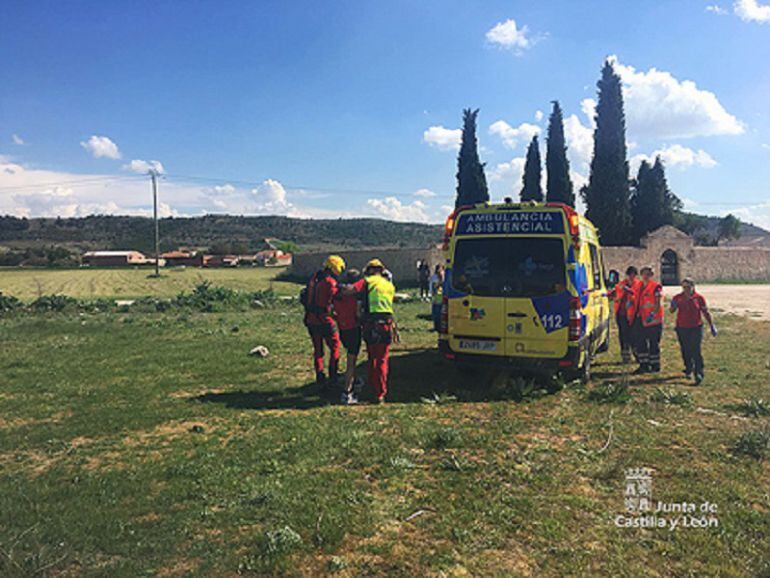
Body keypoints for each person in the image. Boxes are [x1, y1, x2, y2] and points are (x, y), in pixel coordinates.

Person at [343, 258, 396, 403]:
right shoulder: (389, 285)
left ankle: (375, 390)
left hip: (371, 325)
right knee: (382, 359)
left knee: (372, 358)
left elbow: (351, 291)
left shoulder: (368, 281)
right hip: (386, 324)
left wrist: (338, 289)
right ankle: (380, 392)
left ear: (370, 270)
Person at [304, 255, 345, 387]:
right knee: (335, 347)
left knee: (318, 350)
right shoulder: (329, 282)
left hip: (311, 319)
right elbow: (336, 297)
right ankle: (333, 375)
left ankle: (320, 376)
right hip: (325, 320)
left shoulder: (313, 279)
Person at [670, 278, 716, 385]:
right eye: (684, 287)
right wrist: (673, 306)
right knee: (685, 349)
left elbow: (705, 312)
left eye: (688, 287)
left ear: (693, 286)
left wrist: (711, 325)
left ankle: (698, 372)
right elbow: (671, 311)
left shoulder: (699, 298)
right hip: (682, 327)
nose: (686, 289)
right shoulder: (677, 297)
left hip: (696, 327)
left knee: (696, 349)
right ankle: (688, 368)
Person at [334, 268, 363, 404]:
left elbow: (331, 312)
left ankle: (355, 380)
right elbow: (358, 314)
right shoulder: (354, 297)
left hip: (343, 329)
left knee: (351, 357)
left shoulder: (338, 295)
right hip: (353, 329)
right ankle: (347, 392)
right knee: (351, 362)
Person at [609, 266, 643, 364]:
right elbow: (613, 294)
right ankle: (625, 357)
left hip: (634, 315)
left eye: (633, 275)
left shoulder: (639, 285)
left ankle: (638, 356)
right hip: (621, 314)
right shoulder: (621, 284)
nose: (631, 277)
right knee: (623, 335)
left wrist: (630, 291)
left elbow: (638, 296)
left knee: (635, 336)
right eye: (629, 275)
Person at [635, 266, 664, 373]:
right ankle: (644, 365)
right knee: (640, 343)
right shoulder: (639, 286)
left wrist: (652, 314)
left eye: (648, 274)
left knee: (653, 344)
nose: (645, 276)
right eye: (644, 274)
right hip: (641, 319)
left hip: (654, 320)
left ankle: (655, 365)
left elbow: (658, 302)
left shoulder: (656, 287)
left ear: (651, 275)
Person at [430, 264, 444, 332]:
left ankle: (437, 327)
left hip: (437, 299)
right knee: (439, 315)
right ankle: (438, 327)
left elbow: (434, 288)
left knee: (437, 315)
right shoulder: (441, 277)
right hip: (440, 298)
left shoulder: (435, 277)